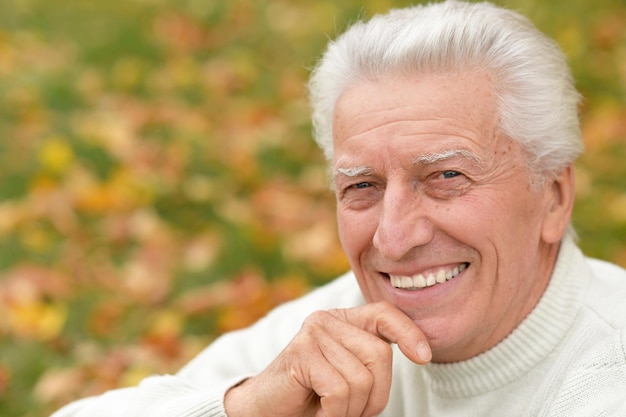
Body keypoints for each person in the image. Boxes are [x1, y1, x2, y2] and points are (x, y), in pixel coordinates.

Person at [52, 1, 626, 416]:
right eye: (362, 187)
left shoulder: (606, 380)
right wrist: (245, 408)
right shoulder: (345, 325)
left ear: (553, 195)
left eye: (447, 176)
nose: (394, 240)